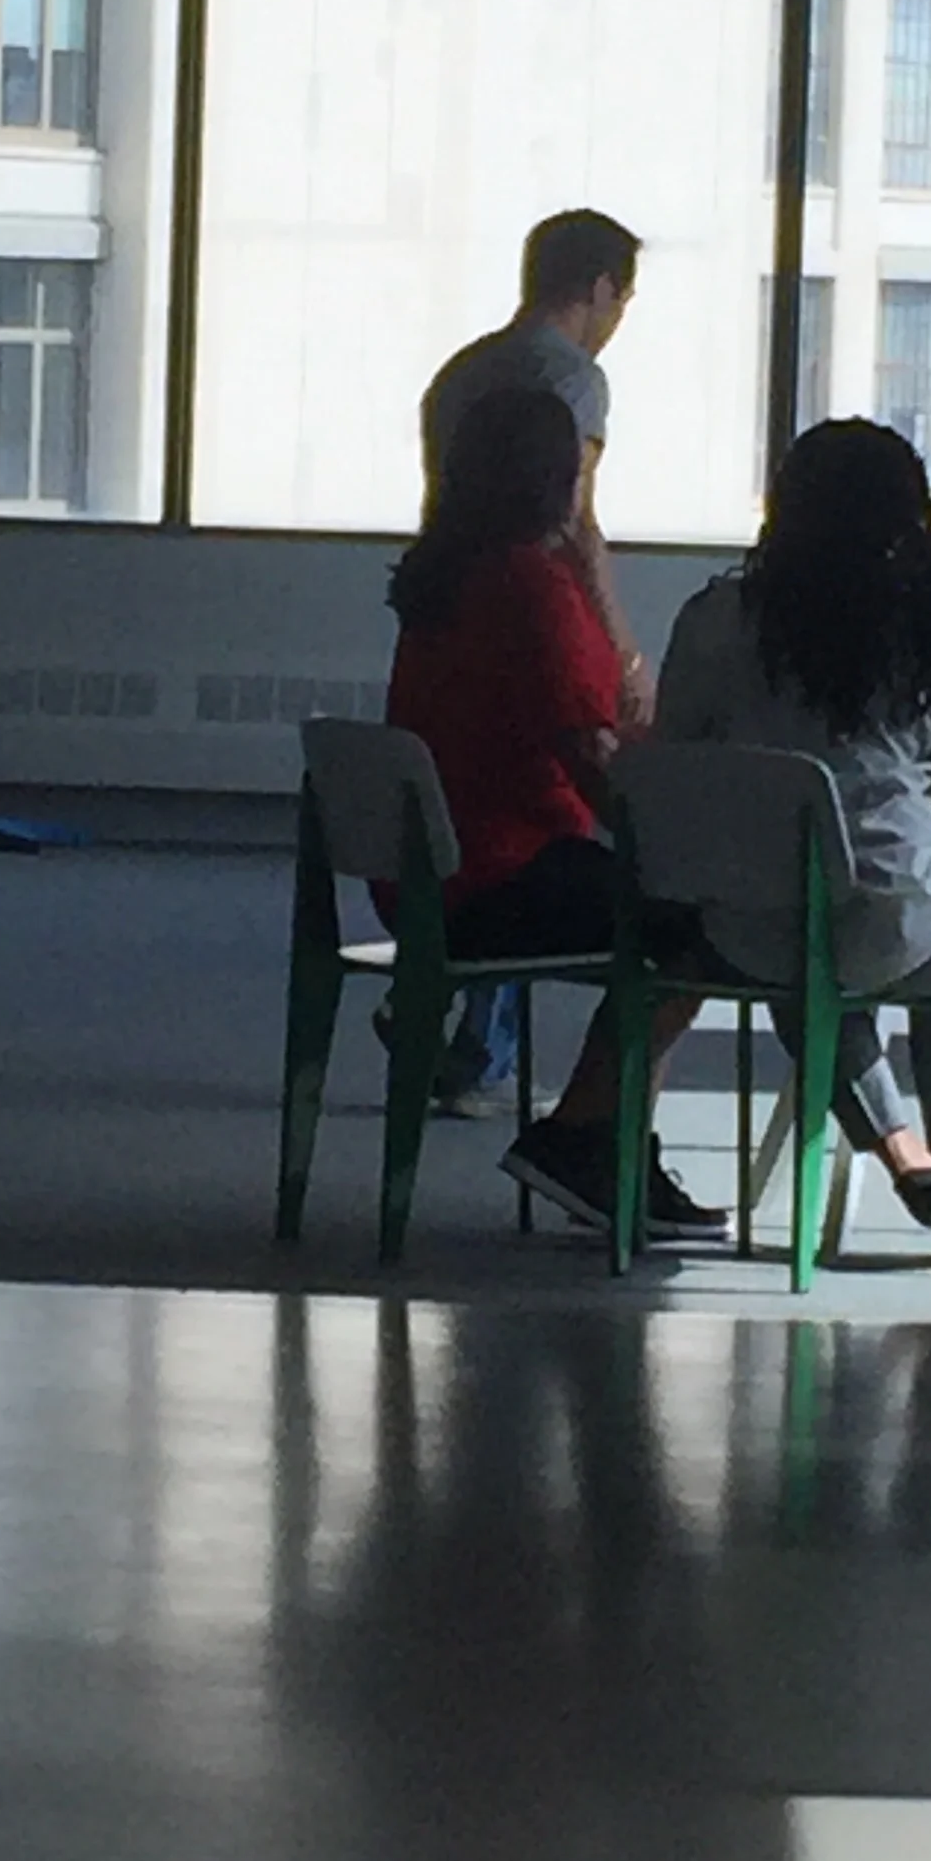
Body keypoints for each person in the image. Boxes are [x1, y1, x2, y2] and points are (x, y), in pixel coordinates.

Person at [654, 417, 931, 1263]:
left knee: (798, 954)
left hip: (747, 922)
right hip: (899, 920)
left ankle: (898, 1148)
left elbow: (674, 759)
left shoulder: (716, 617)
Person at [384, 387, 723, 1239]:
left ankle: (610, 1147)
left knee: (665, 912)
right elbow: (598, 768)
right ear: (560, 477)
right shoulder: (534, 587)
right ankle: (585, 1133)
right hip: (502, 869)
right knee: (696, 927)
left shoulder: (443, 577)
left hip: (428, 876)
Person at [414, 206, 649, 1114]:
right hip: (535, 628)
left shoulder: (459, 374)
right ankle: (548, 1095)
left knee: (484, 801)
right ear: (597, 288)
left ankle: (471, 1034)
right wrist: (621, 649)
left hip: (444, 608)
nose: (622, 314)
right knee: (564, 827)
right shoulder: (573, 381)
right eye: (623, 295)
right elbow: (578, 525)